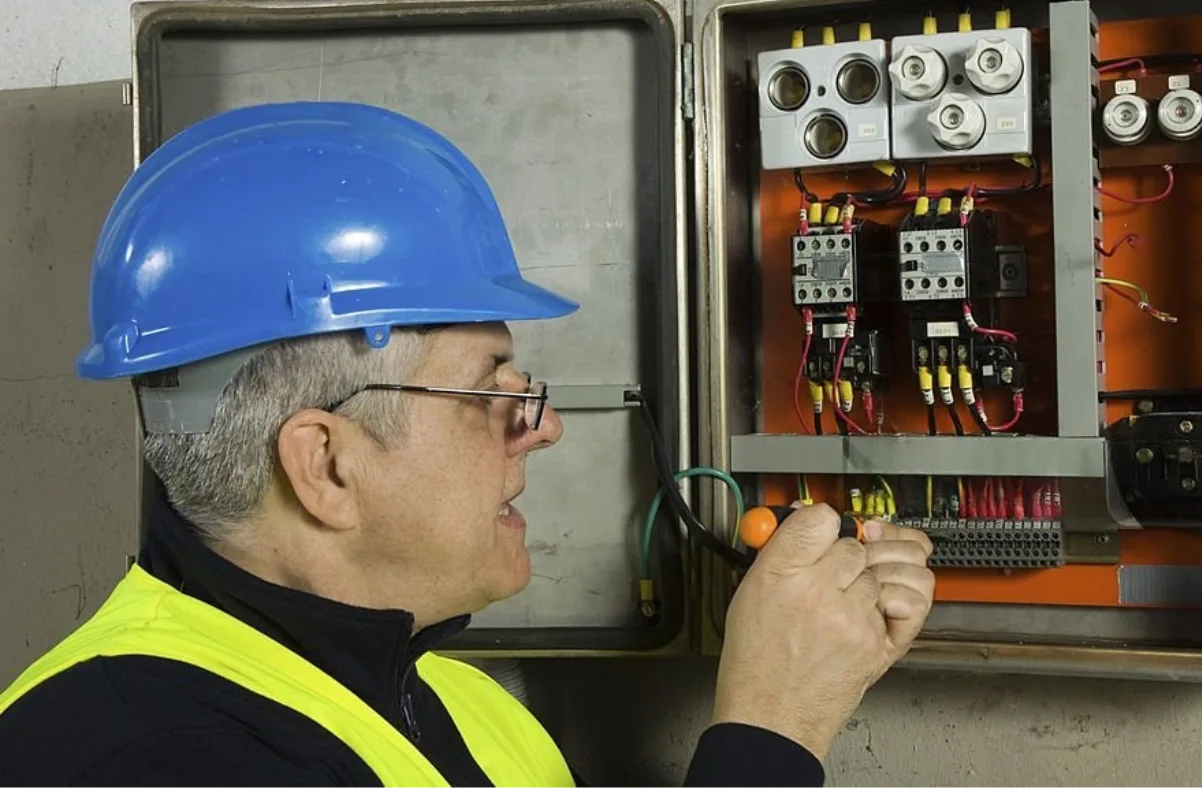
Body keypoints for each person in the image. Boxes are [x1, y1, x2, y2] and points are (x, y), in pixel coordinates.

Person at [0, 101, 935, 786]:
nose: (545, 426)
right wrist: (772, 727)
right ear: (325, 465)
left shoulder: (462, 708)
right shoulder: (128, 756)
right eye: (491, 392)